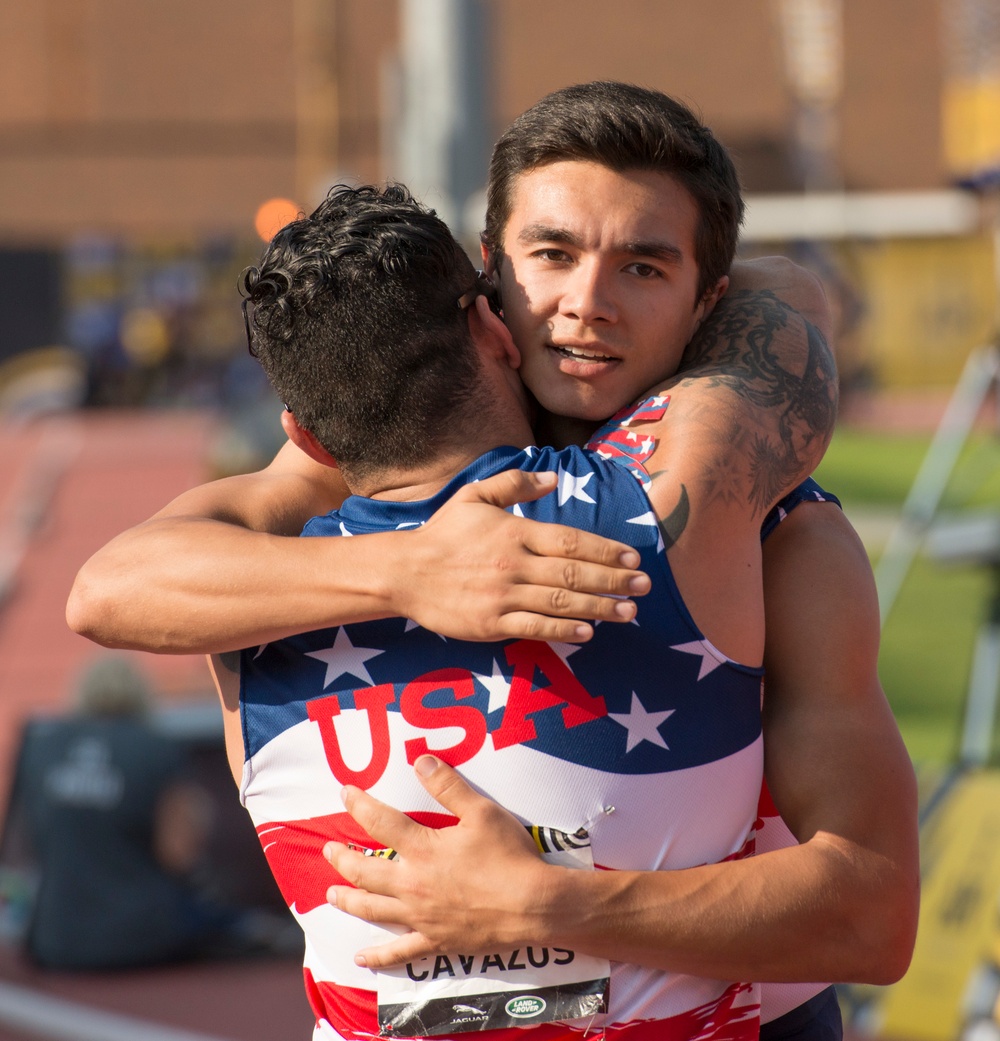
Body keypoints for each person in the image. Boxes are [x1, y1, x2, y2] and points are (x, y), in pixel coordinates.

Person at [66, 81, 918, 1037]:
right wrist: (413, 567)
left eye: (642, 267)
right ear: (486, 284)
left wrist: (539, 901)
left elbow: (870, 910)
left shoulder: (763, 517)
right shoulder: (332, 484)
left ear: (709, 298)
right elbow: (108, 586)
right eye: (550, 255)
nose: (585, 306)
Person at [217, 177, 829, 1041]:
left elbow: (107, 589)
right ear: (492, 327)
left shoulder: (235, 611)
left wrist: (389, 567)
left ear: (305, 434)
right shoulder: (665, 505)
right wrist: (550, 906)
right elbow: (793, 311)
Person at [17, 656, 222, 969]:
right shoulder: (156, 748)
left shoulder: (41, 748)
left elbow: (25, 846)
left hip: (55, 942)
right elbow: (178, 854)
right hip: (142, 943)